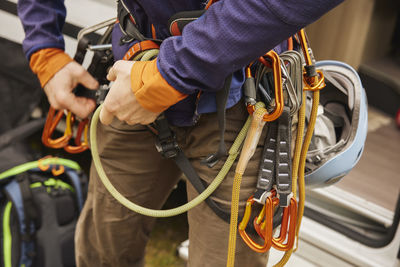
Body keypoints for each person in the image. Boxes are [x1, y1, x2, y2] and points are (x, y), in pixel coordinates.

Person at [18, 0, 344, 266]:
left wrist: (169, 76)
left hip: (243, 99)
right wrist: (44, 45)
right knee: (102, 253)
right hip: (134, 77)